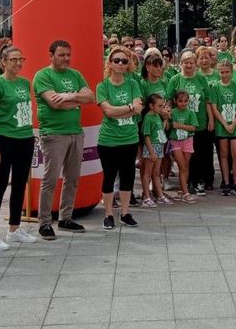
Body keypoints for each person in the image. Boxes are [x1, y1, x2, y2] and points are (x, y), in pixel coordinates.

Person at [33, 40, 93, 240]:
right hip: (54, 134)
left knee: (72, 178)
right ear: (51, 55)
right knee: (50, 179)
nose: (66, 58)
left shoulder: (75, 75)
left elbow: (90, 97)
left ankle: (66, 218)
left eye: (68, 54)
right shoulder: (43, 75)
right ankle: (44, 222)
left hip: (75, 132)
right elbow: (54, 103)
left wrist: (69, 95)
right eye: (61, 55)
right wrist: (77, 100)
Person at [0, 46, 38, 250]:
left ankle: (14, 228)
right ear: (3, 62)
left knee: (20, 183)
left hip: (24, 137)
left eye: (20, 59)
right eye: (13, 59)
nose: (18, 63)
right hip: (4, 139)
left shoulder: (25, 83)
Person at [95, 45, 144, 230]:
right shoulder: (103, 86)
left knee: (128, 177)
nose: (121, 64)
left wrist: (123, 111)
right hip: (108, 140)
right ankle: (108, 214)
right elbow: (107, 111)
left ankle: (125, 213)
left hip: (129, 139)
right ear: (110, 63)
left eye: (124, 61)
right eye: (117, 60)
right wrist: (129, 108)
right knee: (108, 177)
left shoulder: (133, 84)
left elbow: (139, 107)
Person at [167, 51, 211, 196]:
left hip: (200, 122)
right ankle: (187, 183)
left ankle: (199, 181)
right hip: (181, 125)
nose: (188, 65)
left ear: (195, 63)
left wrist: (211, 119)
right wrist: (168, 118)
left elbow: (208, 101)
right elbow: (169, 101)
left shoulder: (201, 79)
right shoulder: (175, 79)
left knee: (199, 154)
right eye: (185, 62)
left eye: (191, 62)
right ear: (181, 64)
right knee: (185, 156)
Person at [209, 59, 236, 196]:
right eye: (222, 72)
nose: (225, 75)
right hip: (222, 125)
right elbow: (214, 108)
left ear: (232, 72)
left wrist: (234, 124)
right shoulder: (215, 88)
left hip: (234, 126)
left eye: (227, 72)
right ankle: (226, 181)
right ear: (219, 72)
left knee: (235, 154)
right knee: (223, 154)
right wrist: (225, 124)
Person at [140, 93, 171, 207]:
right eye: (159, 106)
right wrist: (151, 151)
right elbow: (146, 135)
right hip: (151, 147)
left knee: (157, 173)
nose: (161, 108)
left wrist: (166, 119)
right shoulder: (148, 117)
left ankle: (160, 195)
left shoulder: (157, 116)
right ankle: (147, 197)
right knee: (147, 173)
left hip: (159, 146)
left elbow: (161, 129)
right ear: (151, 106)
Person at [169, 90, 199, 202]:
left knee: (185, 167)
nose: (183, 103)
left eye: (185, 101)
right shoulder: (172, 112)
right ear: (175, 101)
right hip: (176, 141)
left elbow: (194, 128)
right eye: (180, 101)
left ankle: (183, 189)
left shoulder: (191, 113)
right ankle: (186, 193)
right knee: (182, 167)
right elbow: (168, 126)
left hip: (187, 140)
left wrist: (179, 125)